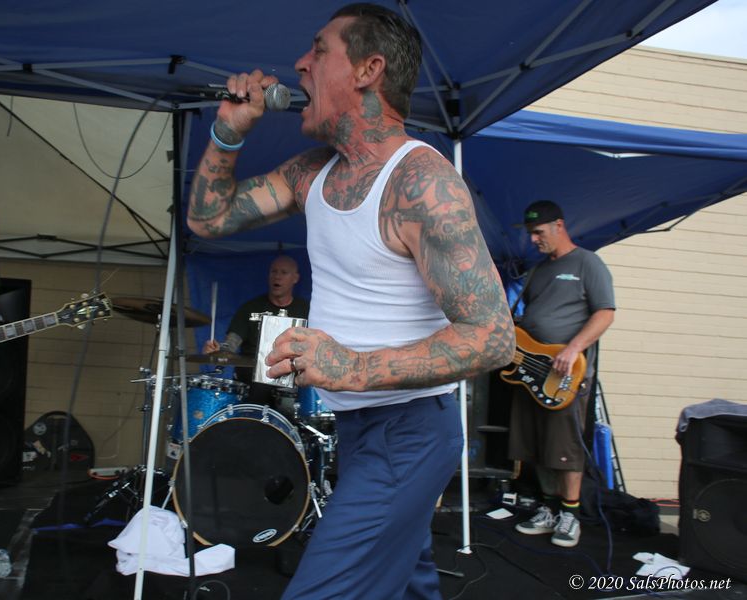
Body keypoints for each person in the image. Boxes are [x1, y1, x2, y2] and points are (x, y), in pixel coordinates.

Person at [187, 4, 515, 598]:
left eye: (319, 50)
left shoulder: (421, 183)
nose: (300, 64)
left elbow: (493, 337)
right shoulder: (312, 173)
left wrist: (353, 366)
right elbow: (208, 219)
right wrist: (227, 132)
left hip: (409, 432)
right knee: (410, 584)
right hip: (361, 429)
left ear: (368, 70)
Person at [509, 200, 615, 548]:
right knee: (536, 443)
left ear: (559, 225)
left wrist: (572, 348)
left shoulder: (588, 263)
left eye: (539, 232)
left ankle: (570, 514)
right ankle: (548, 508)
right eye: (530, 233)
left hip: (566, 371)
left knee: (565, 446)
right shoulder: (537, 270)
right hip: (531, 369)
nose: (533, 239)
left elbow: (605, 313)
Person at [202, 254, 310, 406]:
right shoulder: (250, 308)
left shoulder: (306, 310)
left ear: (295, 278)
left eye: (284, 272)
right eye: (274, 272)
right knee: (257, 386)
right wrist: (218, 350)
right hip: (253, 380)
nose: (277, 276)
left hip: (292, 379)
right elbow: (230, 344)